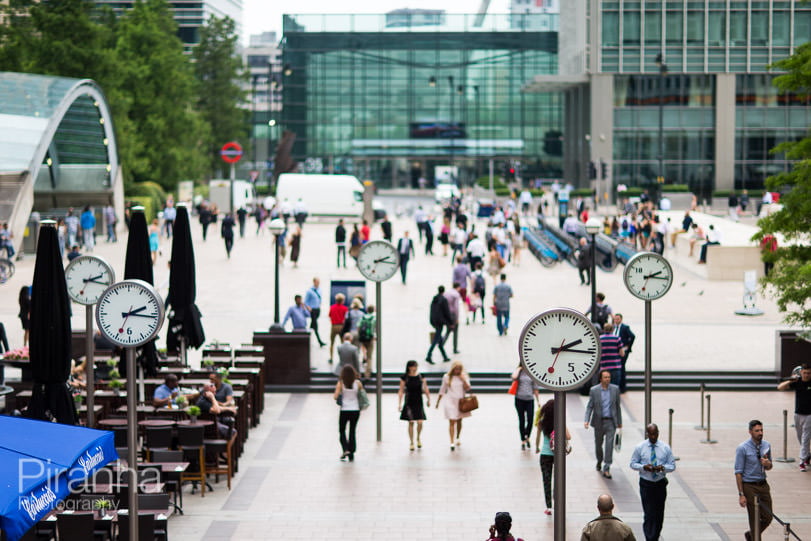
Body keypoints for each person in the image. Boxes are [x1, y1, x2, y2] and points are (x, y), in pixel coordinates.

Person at [630, 423, 676, 541]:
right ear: (647, 434)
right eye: (651, 434)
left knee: (659, 513)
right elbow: (633, 464)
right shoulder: (640, 447)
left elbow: (672, 465)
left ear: (658, 433)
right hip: (646, 483)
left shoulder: (665, 448)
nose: (653, 437)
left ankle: (655, 535)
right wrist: (644, 467)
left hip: (660, 483)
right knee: (649, 513)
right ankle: (650, 537)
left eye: (655, 434)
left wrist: (662, 468)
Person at [735, 420, 773, 541]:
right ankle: (755, 537)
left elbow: (770, 467)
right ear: (750, 432)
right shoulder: (742, 448)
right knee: (754, 518)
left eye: (761, 430)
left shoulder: (766, 445)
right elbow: (738, 472)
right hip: (749, 486)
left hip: (763, 484)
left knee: (768, 516)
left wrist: (768, 464)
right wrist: (741, 494)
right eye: (757, 431)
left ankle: (751, 535)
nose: (760, 433)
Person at [584, 370, 622, 478]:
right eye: (605, 377)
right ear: (600, 379)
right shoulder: (594, 390)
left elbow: (617, 406)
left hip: (611, 422)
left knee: (609, 446)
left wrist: (619, 422)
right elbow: (590, 406)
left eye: (609, 377)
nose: (607, 379)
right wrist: (586, 420)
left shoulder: (615, 389)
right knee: (598, 444)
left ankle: (607, 467)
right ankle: (599, 460)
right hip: (598, 422)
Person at [537, 398, 571, 516]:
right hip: (558, 455)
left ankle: (549, 507)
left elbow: (537, 438)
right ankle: (558, 503)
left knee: (546, 480)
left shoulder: (542, 421)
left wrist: (537, 447)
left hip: (545, 454)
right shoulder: (560, 421)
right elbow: (568, 436)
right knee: (558, 480)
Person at [777, 363, 811, 470]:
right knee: (800, 437)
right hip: (798, 414)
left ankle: (802, 461)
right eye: (805, 373)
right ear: (801, 373)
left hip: (809, 415)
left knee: (805, 438)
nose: (806, 375)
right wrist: (791, 380)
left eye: (809, 373)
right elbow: (780, 387)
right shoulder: (797, 382)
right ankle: (807, 455)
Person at [435, 361, 471, 451]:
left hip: (460, 401)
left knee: (459, 420)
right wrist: (438, 402)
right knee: (452, 420)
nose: (457, 371)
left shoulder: (464, 376)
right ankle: (451, 442)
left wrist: (463, 379)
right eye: (456, 369)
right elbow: (442, 390)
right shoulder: (447, 377)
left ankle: (457, 436)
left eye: (459, 369)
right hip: (450, 401)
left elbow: (468, 388)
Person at [398, 360, 431, 451]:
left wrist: (428, 399)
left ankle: (418, 437)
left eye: (416, 366)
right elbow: (401, 390)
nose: (414, 368)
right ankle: (411, 442)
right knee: (411, 421)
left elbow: (425, 388)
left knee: (420, 421)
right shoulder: (405, 377)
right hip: (409, 400)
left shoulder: (421, 376)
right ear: (409, 367)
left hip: (418, 400)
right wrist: (399, 403)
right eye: (412, 366)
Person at [334, 364, 364, 461]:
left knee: (342, 430)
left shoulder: (341, 383)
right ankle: (351, 452)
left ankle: (345, 448)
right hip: (355, 410)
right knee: (352, 431)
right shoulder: (358, 383)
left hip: (344, 410)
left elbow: (335, 396)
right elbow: (362, 395)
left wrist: (340, 395)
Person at [511, 365, 539, 450]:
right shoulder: (519, 372)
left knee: (530, 420)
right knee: (522, 420)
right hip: (519, 399)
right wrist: (518, 369)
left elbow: (535, 388)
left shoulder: (532, 372)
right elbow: (513, 377)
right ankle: (523, 439)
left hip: (530, 399)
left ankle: (527, 436)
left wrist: (538, 401)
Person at [426, 285, 451, 365]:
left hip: (434, 321)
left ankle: (445, 356)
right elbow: (446, 312)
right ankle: (429, 355)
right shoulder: (443, 300)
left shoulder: (435, 299)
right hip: (440, 322)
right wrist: (449, 322)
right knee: (436, 339)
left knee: (439, 340)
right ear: (443, 291)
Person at [613, 314, 636, 393]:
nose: (616, 321)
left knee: (622, 367)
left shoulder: (625, 327)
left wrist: (628, 347)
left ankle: (622, 387)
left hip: (623, 350)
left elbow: (632, 336)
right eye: (615, 319)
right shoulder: (613, 327)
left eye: (618, 319)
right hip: (615, 351)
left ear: (621, 319)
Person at [599, 322, 625, 386]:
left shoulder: (599, 339)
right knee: (615, 388)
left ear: (604, 330)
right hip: (615, 366)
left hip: (604, 367)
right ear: (612, 329)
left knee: (604, 387)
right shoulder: (617, 338)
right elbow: (622, 354)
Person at [304, 277, 327, 347]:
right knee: (315, 326)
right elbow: (305, 301)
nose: (318, 283)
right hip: (313, 310)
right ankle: (319, 341)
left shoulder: (319, 290)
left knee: (312, 326)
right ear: (314, 282)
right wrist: (308, 308)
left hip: (317, 309)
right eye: (317, 282)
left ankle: (306, 338)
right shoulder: (309, 291)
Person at [328, 293, 349, 363]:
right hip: (341, 326)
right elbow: (346, 318)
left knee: (332, 343)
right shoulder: (345, 308)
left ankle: (331, 357)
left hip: (334, 326)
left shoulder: (332, 307)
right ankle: (343, 358)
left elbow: (330, 315)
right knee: (343, 343)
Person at [442, 282, 462, 354]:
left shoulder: (446, 293)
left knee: (448, 330)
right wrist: (457, 318)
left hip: (447, 314)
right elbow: (456, 308)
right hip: (453, 315)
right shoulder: (456, 295)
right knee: (455, 332)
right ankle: (455, 348)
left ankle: (442, 343)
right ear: (458, 287)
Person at [357, 306, 376, 378]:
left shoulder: (362, 317)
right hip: (370, 338)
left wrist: (360, 335)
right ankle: (367, 373)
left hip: (363, 338)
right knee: (369, 356)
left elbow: (358, 326)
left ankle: (363, 360)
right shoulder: (374, 318)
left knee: (363, 350)